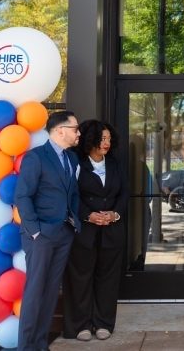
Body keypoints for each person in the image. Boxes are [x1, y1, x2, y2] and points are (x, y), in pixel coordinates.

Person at [14, 110, 81, 351]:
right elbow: (22, 195)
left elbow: (72, 193)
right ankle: (26, 346)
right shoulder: (36, 157)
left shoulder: (72, 159)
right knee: (35, 292)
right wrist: (34, 231)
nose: (78, 133)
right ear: (59, 130)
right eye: (75, 128)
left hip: (63, 232)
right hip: (40, 235)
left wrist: (73, 222)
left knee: (51, 292)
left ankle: (40, 345)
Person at [63, 120, 128, 341]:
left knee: (108, 279)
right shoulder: (76, 162)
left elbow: (124, 194)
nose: (106, 143)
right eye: (102, 138)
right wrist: (88, 215)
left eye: (109, 138)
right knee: (80, 278)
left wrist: (114, 214)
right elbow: (71, 195)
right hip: (84, 231)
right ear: (90, 139)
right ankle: (80, 325)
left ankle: (104, 323)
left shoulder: (115, 163)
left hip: (112, 231)